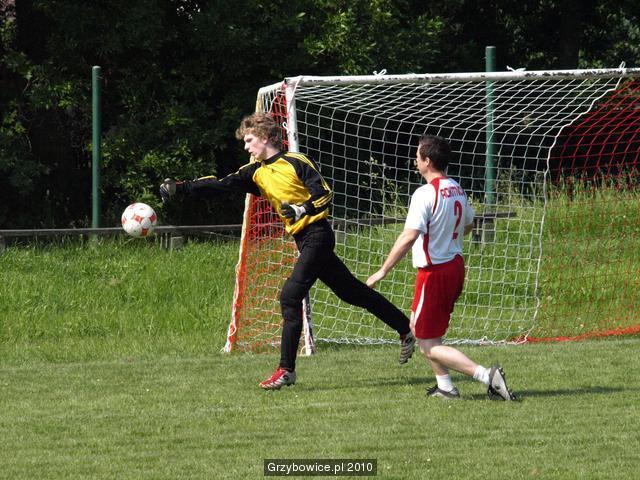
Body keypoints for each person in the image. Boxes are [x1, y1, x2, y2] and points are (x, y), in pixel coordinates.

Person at [160, 112, 415, 390]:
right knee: (351, 292)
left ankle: (286, 370)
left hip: (318, 234)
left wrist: (302, 209)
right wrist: (181, 188)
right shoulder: (255, 171)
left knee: (289, 297)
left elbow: (325, 194)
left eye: (249, 140)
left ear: (266, 137)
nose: (246, 147)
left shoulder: (296, 161)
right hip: (303, 239)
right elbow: (221, 184)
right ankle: (406, 328)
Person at [366, 134, 516, 401]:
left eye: (417, 156)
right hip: (454, 266)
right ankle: (445, 387)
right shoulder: (457, 188)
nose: (415, 160)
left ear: (427, 161)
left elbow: (409, 236)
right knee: (418, 327)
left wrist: (382, 270)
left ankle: (487, 377)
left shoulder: (424, 194)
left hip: (435, 272)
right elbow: (468, 225)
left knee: (427, 344)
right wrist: (447, 235)